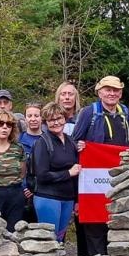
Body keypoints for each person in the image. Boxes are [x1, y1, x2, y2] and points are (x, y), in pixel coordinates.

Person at [73, 75, 129, 256]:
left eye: (116, 90)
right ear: (99, 92)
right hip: (95, 179)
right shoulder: (89, 113)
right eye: (108, 90)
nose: (112, 93)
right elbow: (75, 139)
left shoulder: (125, 113)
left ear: (121, 93)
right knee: (96, 220)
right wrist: (79, 146)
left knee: (118, 218)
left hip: (120, 178)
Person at [32, 102, 82, 244]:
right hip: (48, 197)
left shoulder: (71, 141)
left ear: (65, 118)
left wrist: (77, 200)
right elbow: (42, 176)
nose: (56, 123)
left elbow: (77, 172)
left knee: (60, 240)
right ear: (45, 123)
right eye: (51, 120)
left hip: (68, 198)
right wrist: (68, 173)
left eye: (59, 118)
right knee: (49, 241)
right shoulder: (42, 143)